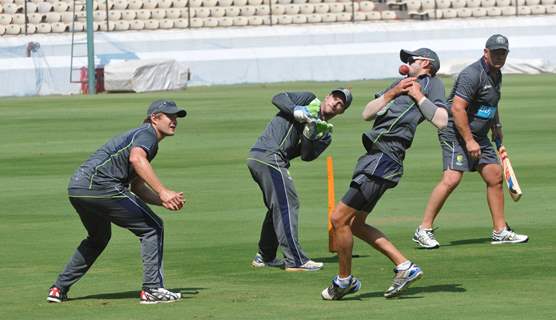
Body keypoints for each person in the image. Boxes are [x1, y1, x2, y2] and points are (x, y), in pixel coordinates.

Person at [321, 48, 449, 300]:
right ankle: (404, 267)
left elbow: (442, 120)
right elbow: (367, 113)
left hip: (384, 157)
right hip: (374, 157)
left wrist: (418, 95)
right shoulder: (398, 83)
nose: (406, 64)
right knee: (355, 224)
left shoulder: (432, 84)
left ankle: (344, 281)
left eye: (410, 60)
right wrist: (392, 92)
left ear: (425, 63)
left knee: (338, 219)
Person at [47, 100, 187, 304]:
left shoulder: (142, 138)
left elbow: (137, 187)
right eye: (170, 116)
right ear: (155, 118)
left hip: (78, 188)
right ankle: (152, 289)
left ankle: (58, 288)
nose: (174, 121)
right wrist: (164, 191)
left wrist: (161, 200)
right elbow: (137, 160)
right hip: (100, 186)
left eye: (176, 117)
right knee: (152, 228)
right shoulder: (147, 134)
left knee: (98, 238)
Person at [412, 34, 528, 249]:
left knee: (494, 176)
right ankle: (423, 229)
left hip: (479, 134)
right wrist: (469, 141)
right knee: (452, 178)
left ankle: (500, 231)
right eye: (495, 53)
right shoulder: (472, 74)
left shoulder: (497, 73)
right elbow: (457, 108)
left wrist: (497, 126)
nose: (499, 57)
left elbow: (491, 103)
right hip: (455, 131)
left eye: (503, 53)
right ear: (486, 52)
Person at [247, 88, 352, 272]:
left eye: (341, 104)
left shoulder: (325, 134)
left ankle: (265, 256)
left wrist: (309, 136)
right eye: (335, 98)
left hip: (265, 158)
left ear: (341, 112)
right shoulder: (307, 99)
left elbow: (307, 156)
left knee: (278, 206)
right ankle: (295, 259)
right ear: (327, 97)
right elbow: (278, 97)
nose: (336, 103)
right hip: (269, 156)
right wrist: (296, 109)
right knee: (289, 204)